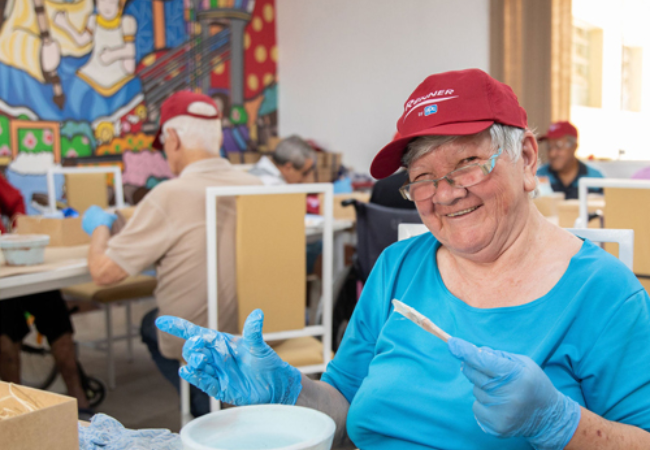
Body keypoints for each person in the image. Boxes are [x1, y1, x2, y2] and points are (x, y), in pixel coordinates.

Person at [155, 69, 650, 449]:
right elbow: (344, 410)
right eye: (423, 177)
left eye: (466, 164)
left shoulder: (604, 292)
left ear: (524, 158)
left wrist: (560, 423)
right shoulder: (398, 267)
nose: (445, 193)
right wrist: (289, 390)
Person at [81, 91, 262, 417]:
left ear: (173, 138)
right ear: (219, 136)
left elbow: (103, 273)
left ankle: (207, 408)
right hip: (258, 331)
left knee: (151, 324)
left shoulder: (169, 194)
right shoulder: (259, 188)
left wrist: (99, 227)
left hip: (203, 341)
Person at [0, 175, 91, 417]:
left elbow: (15, 202)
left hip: (11, 260)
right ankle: (16, 410)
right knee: (5, 333)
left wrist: (17, 228)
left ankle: (78, 395)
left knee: (54, 311)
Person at [536, 121, 604, 199]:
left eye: (558, 146)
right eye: (549, 147)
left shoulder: (595, 178)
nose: (552, 154)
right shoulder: (537, 176)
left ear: (574, 147)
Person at [248, 135, 316, 185]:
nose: (305, 179)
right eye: (305, 173)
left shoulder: (258, 169)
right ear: (288, 168)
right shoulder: (274, 185)